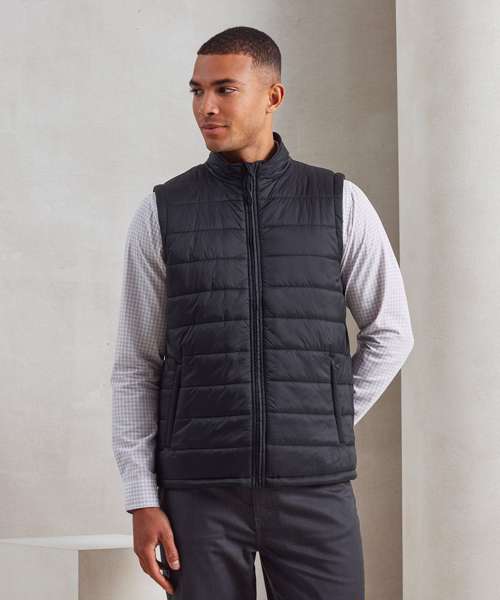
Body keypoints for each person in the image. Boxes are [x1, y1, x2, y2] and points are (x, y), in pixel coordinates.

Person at [111, 25, 414, 600]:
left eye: (225, 89)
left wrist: (323, 419)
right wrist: (141, 497)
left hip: (314, 491)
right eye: (197, 91)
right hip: (198, 495)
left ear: (273, 96)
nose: (206, 106)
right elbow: (135, 363)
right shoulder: (162, 212)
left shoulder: (338, 202)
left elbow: (392, 330)